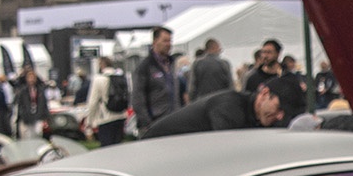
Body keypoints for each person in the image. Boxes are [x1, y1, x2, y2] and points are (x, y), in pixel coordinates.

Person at [134, 80, 288, 135]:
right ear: (264, 93)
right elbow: (226, 154)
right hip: (158, 149)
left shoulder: (250, 113)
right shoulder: (230, 107)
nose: (279, 116)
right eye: (279, 108)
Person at [132, 27, 187, 136]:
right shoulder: (145, 66)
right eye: (165, 41)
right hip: (154, 124)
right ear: (155, 42)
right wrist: (147, 124)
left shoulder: (171, 64)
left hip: (173, 122)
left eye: (170, 41)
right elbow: (138, 99)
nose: (168, 44)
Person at [83, 59, 129, 144]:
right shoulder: (121, 77)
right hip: (120, 116)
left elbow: (93, 102)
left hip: (105, 118)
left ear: (101, 65)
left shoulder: (99, 79)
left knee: (107, 148)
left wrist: (89, 121)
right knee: (119, 147)